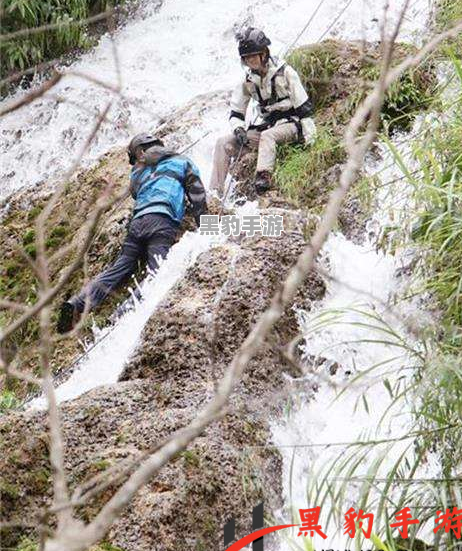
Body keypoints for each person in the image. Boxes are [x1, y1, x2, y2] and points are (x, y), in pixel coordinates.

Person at [57, 133, 207, 334]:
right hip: (162, 221)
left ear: (139, 152)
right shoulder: (181, 161)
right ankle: (123, 315)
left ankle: (78, 302)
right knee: (159, 273)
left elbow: (136, 193)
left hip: (137, 224)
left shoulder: (137, 174)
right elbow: (197, 192)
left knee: (120, 266)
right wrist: (204, 224)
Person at [209, 26, 316, 196]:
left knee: (268, 136)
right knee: (223, 143)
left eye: (253, 56)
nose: (250, 61)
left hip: (292, 127)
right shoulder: (248, 81)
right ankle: (215, 193)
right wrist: (239, 129)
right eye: (246, 57)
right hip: (268, 129)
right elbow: (236, 112)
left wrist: (311, 142)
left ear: (264, 53)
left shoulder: (286, 72)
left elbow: (304, 109)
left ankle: (263, 178)